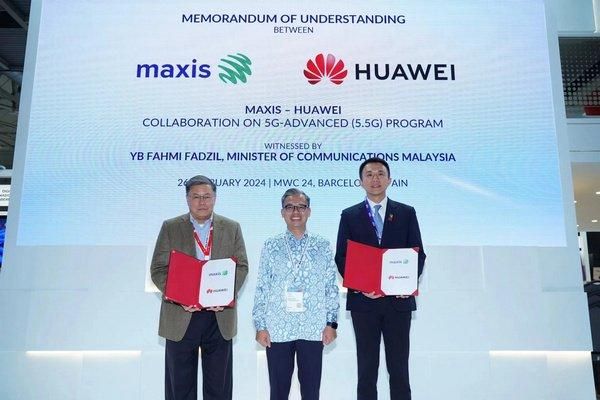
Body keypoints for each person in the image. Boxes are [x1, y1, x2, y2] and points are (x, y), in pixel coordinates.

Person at [151, 175, 249, 400]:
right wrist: (180, 296)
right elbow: (158, 269)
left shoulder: (232, 227)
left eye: (207, 196)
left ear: (215, 198)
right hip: (181, 314)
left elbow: (242, 266)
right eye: (196, 197)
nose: (202, 202)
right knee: (180, 387)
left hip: (219, 316)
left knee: (219, 388)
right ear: (187, 199)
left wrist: (224, 296)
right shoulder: (171, 227)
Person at [335, 158, 426, 400]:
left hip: (398, 303)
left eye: (380, 173)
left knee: (399, 369)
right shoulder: (349, 215)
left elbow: (418, 254)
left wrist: (407, 284)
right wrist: (361, 285)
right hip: (364, 303)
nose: (375, 179)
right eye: (369, 174)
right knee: (366, 370)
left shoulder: (406, 213)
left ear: (389, 179)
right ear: (360, 181)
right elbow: (342, 257)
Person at [253, 188, 339, 400]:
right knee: (278, 391)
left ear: (309, 211)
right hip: (278, 328)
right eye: (289, 207)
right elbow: (262, 286)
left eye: (301, 207)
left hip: (313, 327)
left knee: (311, 391)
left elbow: (331, 286)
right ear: (282, 212)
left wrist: (331, 323)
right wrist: (260, 325)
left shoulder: (322, 245)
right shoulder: (271, 245)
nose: (296, 212)